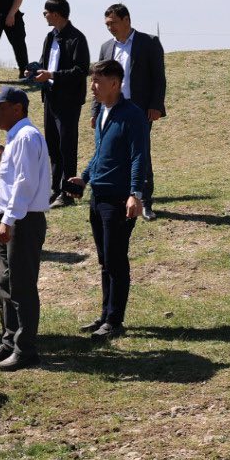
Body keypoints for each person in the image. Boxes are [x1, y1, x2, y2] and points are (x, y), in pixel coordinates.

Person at [68, 59, 149, 340]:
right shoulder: (104, 112)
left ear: (115, 83)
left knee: (116, 260)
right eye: (92, 81)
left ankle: (115, 321)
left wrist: (135, 194)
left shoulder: (133, 115)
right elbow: (100, 153)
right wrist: (85, 177)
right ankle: (105, 315)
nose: (93, 87)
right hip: (98, 196)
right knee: (105, 259)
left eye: (98, 82)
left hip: (119, 199)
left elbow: (140, 157)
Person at [0, 86, 51, 370]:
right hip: (13, 218)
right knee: (7, 283)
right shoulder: (17, 138)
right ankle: (10, 340)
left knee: (21, 285)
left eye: (0, 107)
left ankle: (25, 349)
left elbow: (24, 182)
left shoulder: (26, 137)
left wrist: (9, 220)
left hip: (21, 220)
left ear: (18, 109)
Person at [95, 3, 167, 220]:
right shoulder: (107, 47)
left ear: (127, 20)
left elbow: (158, 77)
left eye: (114, 23)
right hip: (111, 110)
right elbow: (97, 81)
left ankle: (145, 201)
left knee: (140, 153)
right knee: (114, 153)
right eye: (107, 24)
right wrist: (95, 110)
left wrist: (156, 105)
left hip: (139, 110)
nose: (110, 28)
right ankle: (120, 198)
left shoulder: (149, 43)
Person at [29, 0, 90, 205]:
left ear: (56, 13)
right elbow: (46, 63)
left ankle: (68, 193)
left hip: (69, 101)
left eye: (46, 12)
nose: (44, 16)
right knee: (52, 146)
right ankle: (55, 189)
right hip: (51, 99)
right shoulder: (50, 37)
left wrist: (52, 75)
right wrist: (36, 70)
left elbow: (81, 70)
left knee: (67, 146)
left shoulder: (77, 38)